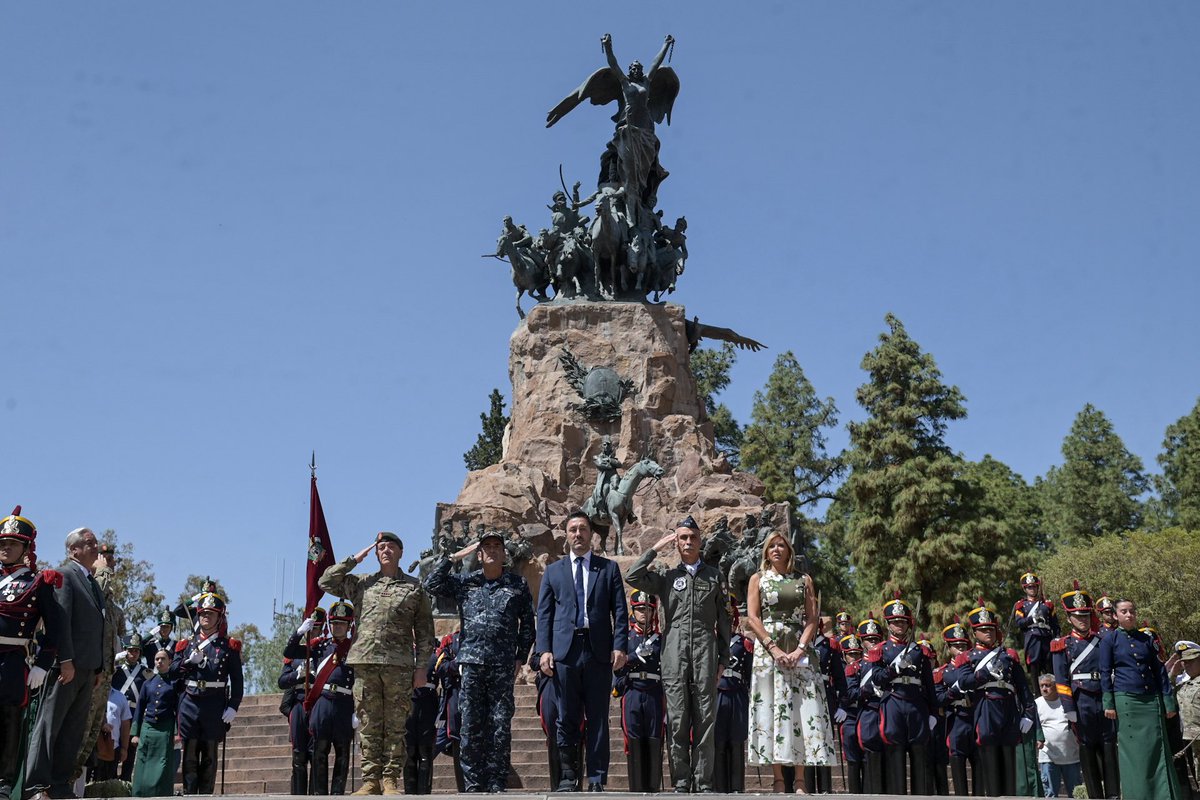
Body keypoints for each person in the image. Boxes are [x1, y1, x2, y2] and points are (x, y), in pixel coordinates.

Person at [319, 531, 436, 795]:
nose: (386, 551)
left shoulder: (414, 587)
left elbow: (425, 631)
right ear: (375, 553)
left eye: (391, 546)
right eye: (381, 547)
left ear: (401, 552)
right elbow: (325, 581)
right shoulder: (362, 583)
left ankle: (390, 779)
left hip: (399, 665)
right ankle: (370, 780)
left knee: (395, 725)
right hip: (366, 662)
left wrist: (421, 668)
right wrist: (354, 559)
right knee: (369, 723)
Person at [423, 528, 535, 793]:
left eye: (497, 546)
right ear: (479, 553)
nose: (492, 550)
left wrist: (520, 657)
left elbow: (528, 625)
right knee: (470, 726)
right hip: (472, 665)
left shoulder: (517, 585)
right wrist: (454, 557)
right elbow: (431, 584)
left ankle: (496, 782)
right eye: (487, 547)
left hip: (502, 666)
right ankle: (473, 784)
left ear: (504, 553)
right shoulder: (466, 582)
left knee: (499, 726)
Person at [625, 516, 731, 793]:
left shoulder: (714, 577)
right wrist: (656, 547)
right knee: (677, 718)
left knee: (705, 718)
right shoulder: (667, 578)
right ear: (676, 542)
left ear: (700, 541)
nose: (687, 542)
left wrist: (723, 659)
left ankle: (704, 782)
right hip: (674, 651)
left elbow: (724, 621)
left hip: (705, 650)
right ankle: (681, 782)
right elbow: (633, 576)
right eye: (682, 537)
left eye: (692, 537)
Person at [535, 511, 629, 791]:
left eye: (583, 529)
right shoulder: (553, 571)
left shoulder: (608, 569)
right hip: (565, 652)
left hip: (597, 650)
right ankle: (568, 776)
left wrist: (620, 646)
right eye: (573, 529)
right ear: (567, 535)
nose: (578, 534)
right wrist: (544, 650)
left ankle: (597, 779)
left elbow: (620, 611)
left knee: (598, 716)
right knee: (566, 715)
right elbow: (544, 614)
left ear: (591, 534)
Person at [743, 530, 834, 793]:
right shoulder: (758, 579)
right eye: (772, 546)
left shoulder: (804, 579)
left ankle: (801, 779)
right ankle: (779, 779)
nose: (776, 549)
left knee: (801, 710)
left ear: (789, 550)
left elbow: (812, 617)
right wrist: (772, 648)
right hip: (768, 649)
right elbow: (753, 617)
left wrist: (800, 649)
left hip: (799, 648)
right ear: (766, 551)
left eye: (781, 545)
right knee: (772, 708)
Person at [24, 527, 105, 800]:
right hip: (66, 667)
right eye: (89, 543)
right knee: (49, 726)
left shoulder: (92, 583)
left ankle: (58, 785)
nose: (96, 547)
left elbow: (98, 628)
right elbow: (61, 621)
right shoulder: (64, 576)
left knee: (72, 730)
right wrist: (65, 660)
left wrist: (98, 668)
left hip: (87, 668)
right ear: (73, 550)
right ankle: (35, 785)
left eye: (96, 542)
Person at [945, 599, 1036, 797]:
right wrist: (985, 674)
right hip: (985, 708)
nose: (988, 632)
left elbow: (1023, 688)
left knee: (1009, 764)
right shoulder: (967, 657)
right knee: (991, 761)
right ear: (974, 632)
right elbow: (964, 682)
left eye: (991, 629)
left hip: (1009, 709)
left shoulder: (1009, 655)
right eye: (983, 629)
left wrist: (1028, 713)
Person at [0, 508, 60, 800]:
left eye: (12, 543)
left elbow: (55, 628)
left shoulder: (38, 583)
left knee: (9, 722)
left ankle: (3, 782)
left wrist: (43, 665)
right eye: (2, 543)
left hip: (13, 660)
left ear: (26, 548)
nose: (5, 548)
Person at [1099, 597, 1183, 799]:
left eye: (1132, 611)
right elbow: (1105, 672)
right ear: (1115, 615)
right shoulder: (1110, 640)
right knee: (1134, 755)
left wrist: (1168, 701)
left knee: (1156, 750)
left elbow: (1160, 672)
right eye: (1124, 611)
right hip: (1127, 701)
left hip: (1151, 701)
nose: (1129, 615)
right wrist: (1108, 703)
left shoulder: (1146, 639)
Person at [858, 593, 936, 795]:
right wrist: (895, 669)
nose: (899, 625)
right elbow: (877, 678)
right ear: (888, 624)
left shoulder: (919, 651)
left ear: (908, 623)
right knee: (895, 752)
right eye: (895, 622)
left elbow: (928, 684)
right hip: (893, 702)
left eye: (902, 621)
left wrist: (933, 712)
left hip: (916, 704)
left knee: (919, 754)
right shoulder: (880, 650)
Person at [171, 591, 243, 795]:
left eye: (211, 613)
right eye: (203, 613)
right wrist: (188, 661)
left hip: (214, 704)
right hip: (190, 703)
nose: (206, 617)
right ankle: (189, 795)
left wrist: (233, 706)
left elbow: (237, 680)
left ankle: (206, 796)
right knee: (190, 755)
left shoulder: (229, 646)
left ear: (219, 617)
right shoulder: (186, 644)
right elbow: (173, 672)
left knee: (210, 755)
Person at [1050, 582, 1118, 798]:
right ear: (1069, 618)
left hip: (1103, 697)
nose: (1083, 620)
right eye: (1078, 616)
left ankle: (1114, 794)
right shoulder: (1062, 644)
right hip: (1081, 700)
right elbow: (1061, 680)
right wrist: (1069, 708)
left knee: (1109, 745)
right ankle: (1095, 795)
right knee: (1087, 748)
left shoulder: (1103, 640)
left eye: (1086, 615)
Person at [287, 599, 357, 796]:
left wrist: (359, 709)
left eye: (342, 623)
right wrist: (299, 633)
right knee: (320, 751)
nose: (337, 627)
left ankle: (337, 794)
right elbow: (290, 652)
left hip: (345, 703)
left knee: (342, 752)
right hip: (323, 701)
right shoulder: (320, 646)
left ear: (349, 626)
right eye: (334, 623)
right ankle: (319, 795)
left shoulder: (355, 648)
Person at [612, 591, 664, 793]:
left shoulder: (660, 639)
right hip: (633, 690)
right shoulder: (625, 638)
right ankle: (636, 790)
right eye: (640, 609)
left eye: (648, 609)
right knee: (632, 738)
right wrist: (633, 656)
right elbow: (616, 668)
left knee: (654, 737)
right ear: (633, 611)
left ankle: (652, 789)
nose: (644, 613)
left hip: (654, 692)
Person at [714, 599, 752, 793]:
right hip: (716, 693)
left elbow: (749, 673)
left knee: (736, 740)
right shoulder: (712, 640)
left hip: (737, 694)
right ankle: (719, 787)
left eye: (730, 618)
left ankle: (737, 787)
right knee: (718, 741)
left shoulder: (744, 643)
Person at [131, 648, 181, 797]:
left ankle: (162, 795)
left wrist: (177, 732)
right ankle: (140, 795)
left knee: (163, 764)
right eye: (157, 659)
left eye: (163, 659)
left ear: (170, 661)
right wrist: (135, 733)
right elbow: (139, 708)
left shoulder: (174, 683)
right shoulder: (148, 683)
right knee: (143, 762)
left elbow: (178, 710)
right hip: (148, 728)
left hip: (165, 729)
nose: (159, 661)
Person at [804, 617, 845, 794]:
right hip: (804, 694)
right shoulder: (800, 644)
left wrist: (842, 705)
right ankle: (807, 786)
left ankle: (825, 788)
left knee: (824, 740)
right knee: (806, 741)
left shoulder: (830, 645)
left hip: (825, 695)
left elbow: (840, 677)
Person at [938, 618, 977, 796]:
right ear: (949, 648)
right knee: (958, 764)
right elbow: (938, 699)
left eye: (963, 645)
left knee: (979, 766)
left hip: (975, 718)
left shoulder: (976, 668)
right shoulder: (942, 673)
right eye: (956, 645)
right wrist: (954, 691)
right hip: (956, 720)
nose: (960, 649)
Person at [853, 614, 888, 792]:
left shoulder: (886, 663)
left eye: (876, 639)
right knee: (870, 753)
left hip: (888, 711)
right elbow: (850, 693)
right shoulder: (856, 667)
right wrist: (868, 689)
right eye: (869, 639)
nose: (873, 642)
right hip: (869, 711)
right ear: (862, 642)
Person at [112, 634, 151, 781]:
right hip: (116, 713)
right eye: (130, 650)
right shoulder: (117, 670)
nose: (133, 654)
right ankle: (111, 779)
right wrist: (116, 658)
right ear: (125, 651)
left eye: (136, 651)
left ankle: (126, 780)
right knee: (114, 746)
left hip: (134, 713)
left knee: (130, 749)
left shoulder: (145, 672)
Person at [1035, 674, 1081, 796]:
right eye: (1041, 686)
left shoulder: (1067, 701)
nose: (1044, 688)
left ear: (1056, 686)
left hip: (1071, 755)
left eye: (1047, 685)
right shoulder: (1036, 704)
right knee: (1050, 794)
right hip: (1048, 755)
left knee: (1075, 794)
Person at [430, 631, 464, 793]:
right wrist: (458, 665)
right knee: (435, 741)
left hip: (473, 700)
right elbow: (440, 667)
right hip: (451, 701)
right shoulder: (451, 641)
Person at [1013, 572, 1059, 685]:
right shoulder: (1021, 606)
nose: (1032, 589)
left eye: (1034, 586)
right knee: (1034, 665)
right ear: (1025, 589)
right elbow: (1019, 622)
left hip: (1047, 637)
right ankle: (1037, 693)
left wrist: (1057, 638)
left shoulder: (1047, 605)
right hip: (1032, 638)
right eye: (1029, 587)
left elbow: (1055, 624)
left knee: (1049, 665)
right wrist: (1032, 619)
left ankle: (1053, 691)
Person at [403, 647, 439, 795]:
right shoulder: (404, 653)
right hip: (408, 702)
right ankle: (410, 792)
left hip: (428, 703)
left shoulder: (435, 655)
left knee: (425, 750)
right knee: (409, 750)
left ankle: (424, 791)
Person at [836, 633, 865, 794]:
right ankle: (854, 793)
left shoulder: (864, 668)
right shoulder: (840, 670)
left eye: (857, 654)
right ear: (844, 655)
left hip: (863, 712)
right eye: (851, 654)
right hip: (848, 714)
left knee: (866, 757)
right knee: (852, 758)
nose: (854, 658)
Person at [1171, 640, 1200, 798]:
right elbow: (1167, 693)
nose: (1186, 665)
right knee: (1196, 776)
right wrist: (1173, 673)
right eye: (1184, 662)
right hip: (1189, 738)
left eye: (1191, 661)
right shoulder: (1184, 684)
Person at [92, 687, 131, 783]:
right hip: (90, 748)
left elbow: (125, 724)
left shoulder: (120, 697)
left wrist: (124, 748)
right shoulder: (89, 692)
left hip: (112, 749)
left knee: (107, 784)